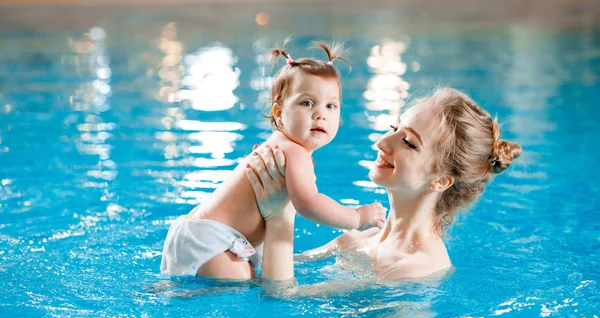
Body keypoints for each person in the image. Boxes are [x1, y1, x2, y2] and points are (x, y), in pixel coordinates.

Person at [245, 87, 523, 287]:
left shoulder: (413, 269)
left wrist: (280, 216)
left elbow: (281, 297)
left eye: (409, 143)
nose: (381, 143)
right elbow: (264, 272)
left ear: (441, 180)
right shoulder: (365, 236)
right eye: (394, 128)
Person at [161, 41, 385, 279]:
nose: (320, 113)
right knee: (244, 281)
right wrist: (357, 216)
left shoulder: (278, 144)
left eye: (331, 105)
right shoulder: (295, 152)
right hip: (216, 243)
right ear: (279, 113)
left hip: (194, 230)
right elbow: (308, 203)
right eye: (307, 103)